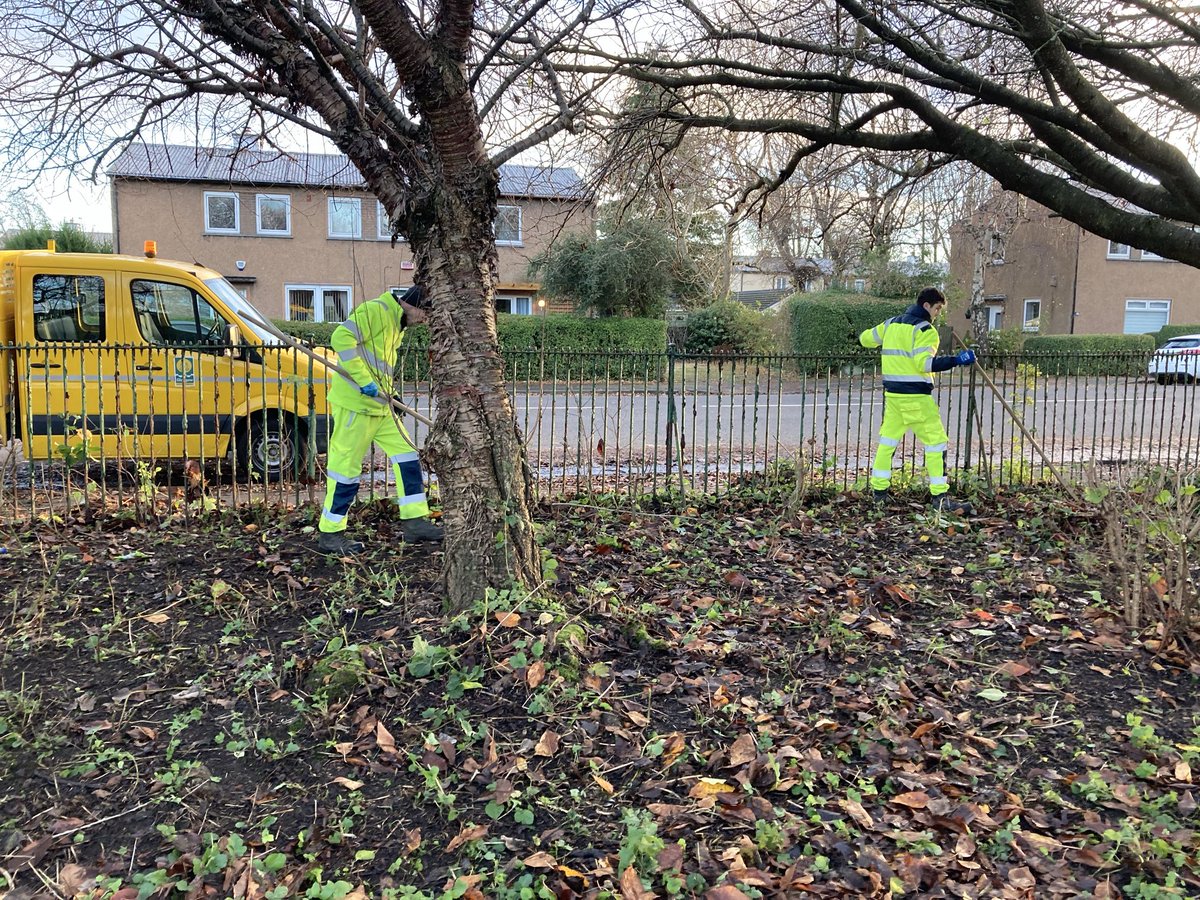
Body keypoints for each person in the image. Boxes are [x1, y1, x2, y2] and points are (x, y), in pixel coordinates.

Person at [318, 285, 443, 555]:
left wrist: (390, 394)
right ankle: (331, 534)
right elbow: (341, 338)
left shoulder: (397, 324)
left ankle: (414, 521)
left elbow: (377, 365)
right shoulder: (377, 310)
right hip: (355, 405)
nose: (425, 320)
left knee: (407, 455)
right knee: (345, 469)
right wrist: (364, 382)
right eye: (425, 313)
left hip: (380, 405)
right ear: (413, 304)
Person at [859, 287, 976, 515]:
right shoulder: (925, 330)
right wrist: (957, 360)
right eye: (938, 308)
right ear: (926, 306)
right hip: (916, 397)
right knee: (935, 443)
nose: (938, 313)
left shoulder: (891, 324)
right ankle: (939, 498)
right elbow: (924, 364)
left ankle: (879, 495)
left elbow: (865, 339)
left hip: (893, 397)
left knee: (888, 443)